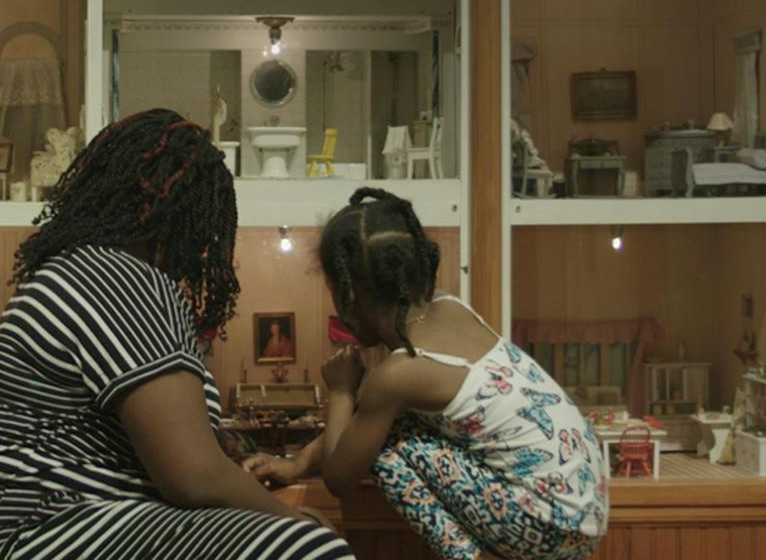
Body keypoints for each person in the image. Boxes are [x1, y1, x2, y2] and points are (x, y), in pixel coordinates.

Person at [0, 108, 352, 560]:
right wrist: (292, 521)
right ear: (187, 214)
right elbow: (194, 476)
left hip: (10, 531)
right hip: (23, 532)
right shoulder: (117, 276)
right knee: (306, 550)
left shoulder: (77, 272)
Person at [245, 188, 607, 560]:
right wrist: (300, 463)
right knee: (387, 424)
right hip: (586, 507)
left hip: (550, 524)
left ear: (349, 296)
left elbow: (339, 477)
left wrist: (340, 390)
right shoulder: (450, 308)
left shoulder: (397, 375)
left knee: (385, 444)